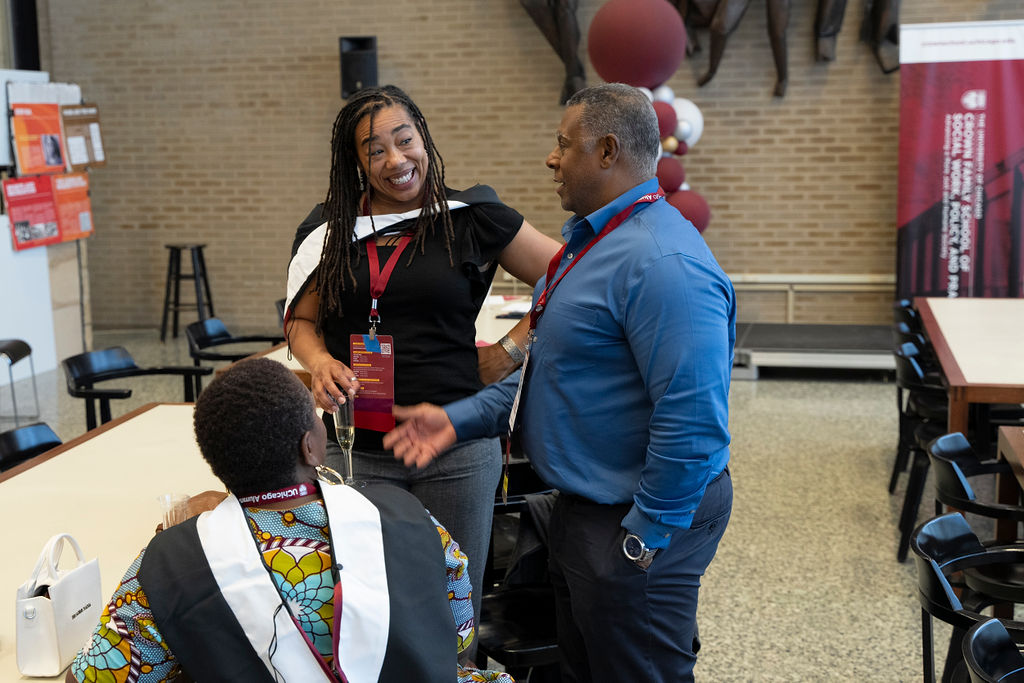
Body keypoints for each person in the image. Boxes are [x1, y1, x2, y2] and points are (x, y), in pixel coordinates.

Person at [384, 83, 736, 683]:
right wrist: (456, 419)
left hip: (635, 519)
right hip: (583, 508)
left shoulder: (663, 264)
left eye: (562, 144)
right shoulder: (589, 244)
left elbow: (694, 424)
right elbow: (547, 375)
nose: (551, 158)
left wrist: (642, 541)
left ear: (605, 151)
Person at [285, 85, 559, 643]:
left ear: (423, 140)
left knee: (451, 601)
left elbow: (572, 276)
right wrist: (317, 362)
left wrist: (510, 349)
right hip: (355, 447)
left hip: (457, 445)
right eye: (374, 150)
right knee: (364, 603)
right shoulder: (329, 230)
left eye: (404, 141)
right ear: (354, 163)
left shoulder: (470, 217)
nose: (395, 160)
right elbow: (301, 322)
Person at [67, 358, 513, 683]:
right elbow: (456, 634)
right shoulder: (407, 517)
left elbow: (92, 679)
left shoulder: (169, 563)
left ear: (215, 462)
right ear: (311, 448)